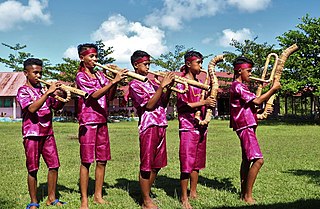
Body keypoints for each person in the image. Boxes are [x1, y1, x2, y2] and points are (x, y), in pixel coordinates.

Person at [76, 43, 127, 209]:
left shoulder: (100, 76)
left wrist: (114, 80)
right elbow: (92, 96)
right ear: (82, 58)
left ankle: (98, 195)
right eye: (91, 56)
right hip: (88, 121)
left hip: (102, 120)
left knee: (102, 160)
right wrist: (112, 82)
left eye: (96, 56)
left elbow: (109, 96)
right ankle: (84, 199)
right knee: (86, 161)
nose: (95, 59)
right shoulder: (80, 76)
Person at [229, 56, 281, 204]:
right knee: (258, 160)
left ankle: (243, 193)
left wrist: (259, 112)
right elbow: (257, 101)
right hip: (244, 126)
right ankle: (247, 196)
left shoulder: (241, 86)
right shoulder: (237, 86)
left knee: (246, 159)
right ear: (239, 71)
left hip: (246, 123)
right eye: (249, 71)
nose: (251, 74)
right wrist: (273, 89)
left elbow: (251, 106)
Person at [16, 58, 66, 209]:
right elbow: (31, 109)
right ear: (26, 73)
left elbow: (57, 106)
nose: (39, 76)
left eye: (40, 73)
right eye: (35, 73)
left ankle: (52, 198)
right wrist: (47, 93)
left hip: (48, 133)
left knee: (54, 165)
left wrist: (62, 93)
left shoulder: (44, 90)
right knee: (33, 168)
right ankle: (34, 201)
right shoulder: (22, 91)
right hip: (32, 134)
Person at [128, 50, 175, 209]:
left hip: (161, 123)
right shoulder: (134, 84)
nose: (148, 67)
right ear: (136, 65)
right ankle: (146, 200)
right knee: (147, 164)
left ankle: (145, 194)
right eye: (145, 64)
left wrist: (168, 88)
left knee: (157, 164)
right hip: (148, 126)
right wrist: (162, 86)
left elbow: (163, 101)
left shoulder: (152, 83)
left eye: (149, 64)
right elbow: (148, 105)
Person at [176, 51, 216, 209]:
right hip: (187, 126)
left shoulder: (201, 81)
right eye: (198, 62)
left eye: (201, 62)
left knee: (197, 162)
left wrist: (210, 101)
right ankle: (184, 197)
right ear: (188, 64)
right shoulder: (182, 82)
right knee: (187, 162)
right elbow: (182, 106)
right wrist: (204, 102)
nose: (201, 65)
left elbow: (205, 101)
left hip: (201, 126)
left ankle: (193, 191)